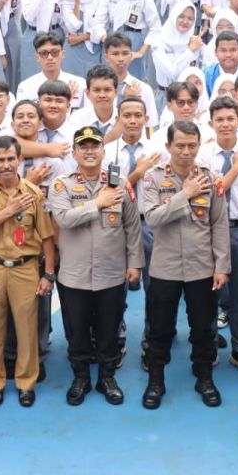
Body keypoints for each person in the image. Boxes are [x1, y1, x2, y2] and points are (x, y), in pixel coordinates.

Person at [49, 126, 143, 406]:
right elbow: (63, 218)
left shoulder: (120, 184)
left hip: (111, 274)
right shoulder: (61, 185)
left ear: (103, 151)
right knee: (76, 330)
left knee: (108, 329)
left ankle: (107, 377)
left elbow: (132, 227)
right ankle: (80, 378)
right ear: (75, 153)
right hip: (74, 275)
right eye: (84, 147)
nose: (90, 151)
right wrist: (98, 203)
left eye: (95, 146)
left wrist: (135, 264)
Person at [140, 120, 230, 409]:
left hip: (202, 266)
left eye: (192, 145)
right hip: (165, 266)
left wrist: (221, 266)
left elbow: (219, 225)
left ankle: (204, 376)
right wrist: (185, 194)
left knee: (203, 327)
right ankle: (156, 379)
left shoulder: (211, 178)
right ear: (168, 147)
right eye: (180, 145)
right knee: (159, 327)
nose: (186, 151)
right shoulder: (153, 179)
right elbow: (152, 218)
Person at [0, 136, 56, 407]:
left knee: (27, 329)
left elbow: (46, 237)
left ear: (20, 160)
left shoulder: (33, 193)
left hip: (24, 269)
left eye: (11, 159)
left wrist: (48, 274)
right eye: (0, 160)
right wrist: (8, 212)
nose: (6, 165)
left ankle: (26, 383)